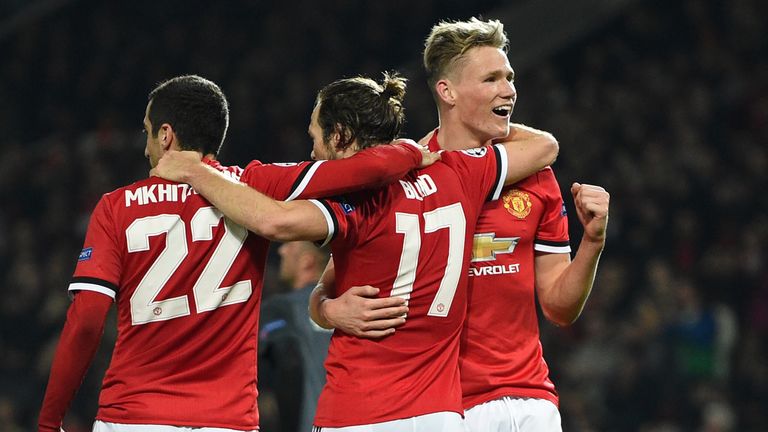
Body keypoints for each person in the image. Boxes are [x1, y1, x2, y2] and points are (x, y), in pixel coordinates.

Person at [153, 72, 558, 431]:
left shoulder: (354, 203)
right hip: (441, 413)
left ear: (341, 135)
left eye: (315, 138)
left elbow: (275, 221)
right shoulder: (459, 173)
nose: (313, 153)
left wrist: (193, 171)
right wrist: (326, 308)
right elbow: (542, 146)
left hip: (360, 410)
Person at [37, 74, 441, 432]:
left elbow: (87, 320)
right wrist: (408, 150)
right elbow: (365, 169)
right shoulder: (253, 185)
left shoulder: (115, 206)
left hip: (133, 416)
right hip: (227, 418)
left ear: (165, 136)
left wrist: (49, 420)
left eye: (146, 133)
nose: (146, 149)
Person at [310, 18, 610, 432]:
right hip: (444, 407)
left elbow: (559, 307)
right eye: (491, 79)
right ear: (446, 91)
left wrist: (592, 243)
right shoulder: (407, 176)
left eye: (509, 77)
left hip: (530, 397)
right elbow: (327, 288)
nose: (508, 90)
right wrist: (329, 310)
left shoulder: (536, 176)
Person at [258, 241, 332, 432]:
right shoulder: (352, 309)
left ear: (307, 262)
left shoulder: (281, 310)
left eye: (290, 245)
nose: (282, 250)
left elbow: (279, 358)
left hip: (305, 424)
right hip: (353, 423)